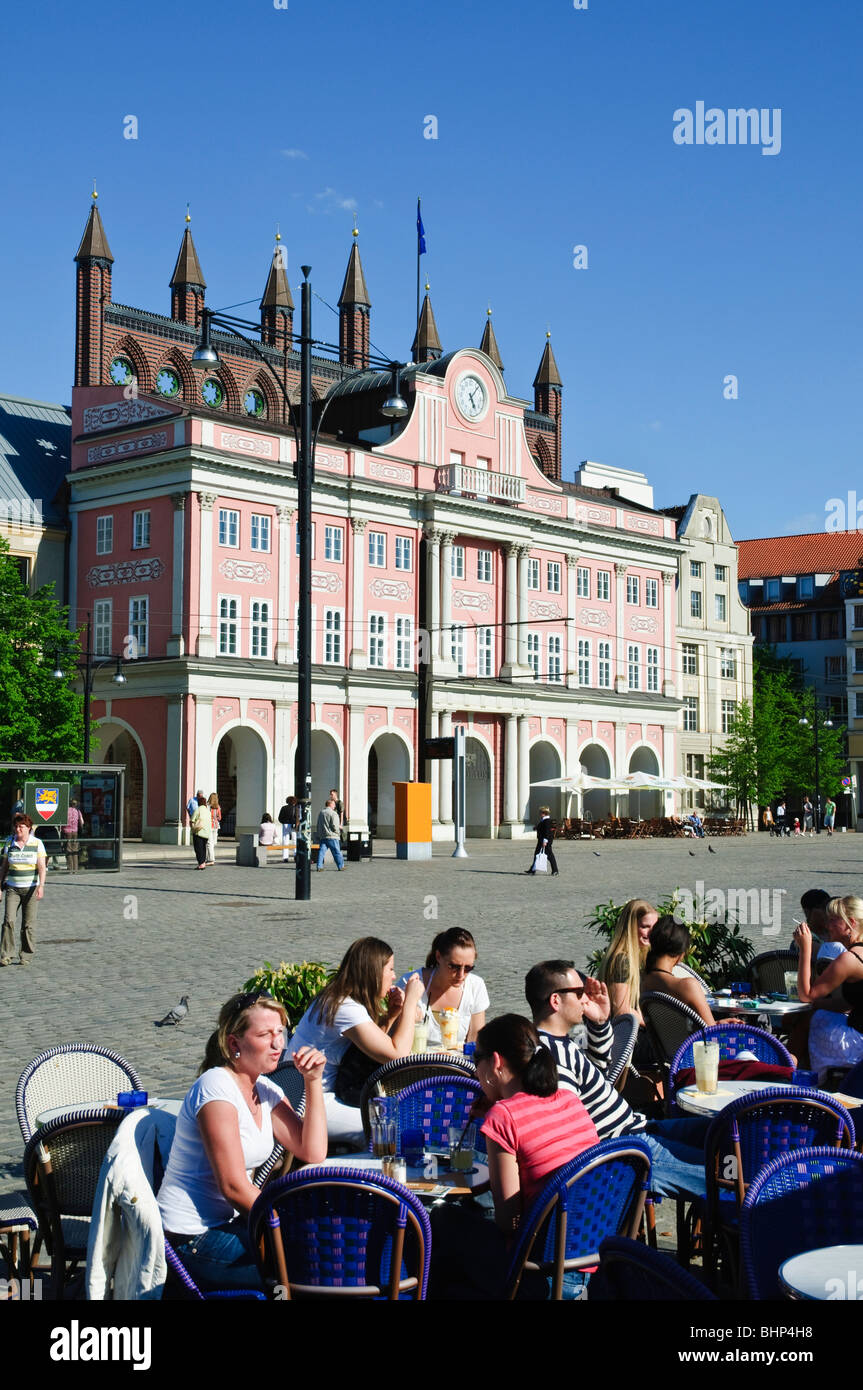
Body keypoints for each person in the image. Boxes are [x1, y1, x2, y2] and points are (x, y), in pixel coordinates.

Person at [156, 991, 328, 1290]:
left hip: (228, 1223)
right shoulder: (216, 1088)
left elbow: (312, 1151)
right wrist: (285, 1221)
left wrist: (313, 1082)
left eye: (280, 1032)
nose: (278, 1044)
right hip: (190, 1239)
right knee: (310, 1264)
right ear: (234, 1043)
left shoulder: (263, 1087)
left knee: (325, 1247)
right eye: (265, 1034)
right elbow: (233, 1186)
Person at [527, 960, 709, 1199]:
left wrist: (600, 1023)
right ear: (555, 1000)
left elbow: (597, 1077)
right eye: (579, 993)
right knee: (722, 1177)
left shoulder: (560, 1042)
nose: (585, 999)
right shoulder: (552, 1056)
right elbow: (570, 1122)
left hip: (639, 1129)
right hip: (626, 1150)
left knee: (721, 1133)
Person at [289, 937, 426, 1145]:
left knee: (391, 1122)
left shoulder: (339, 997)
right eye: (390, 969)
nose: (394, 976)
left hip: (311, 1092)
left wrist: (391, 1016)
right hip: (309, 1101)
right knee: (389, 1128)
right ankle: (370, 1175)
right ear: (373, 972)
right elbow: (397, 1055)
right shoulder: (344, 1007)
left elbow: (375, 1046)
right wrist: (411, 1002)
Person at [795, 896, 863, 1076]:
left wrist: (805, 948)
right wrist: (814, 1006)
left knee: (808, 1019)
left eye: (833, 920)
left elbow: (806, 995)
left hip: (858, 1041)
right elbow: (850, 1002)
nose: (827, 926)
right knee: (811, 1013)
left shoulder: (850, 959)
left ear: (851, 923)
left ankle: (795, 1074)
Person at [397, 927, 489, 1047]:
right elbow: (395, 1038)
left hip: (456, 1064)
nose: (461, 975)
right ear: (438, 957)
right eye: (454, 966)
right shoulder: (409, 982)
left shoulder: (476, 986)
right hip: (415, 1061)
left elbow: (474, 1043)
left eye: (468, 968)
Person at [640, 917, 716, 1026]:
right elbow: (711, 1032)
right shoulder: (688, 986)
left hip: (663, 1043)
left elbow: (670, 1029)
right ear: (682, 954)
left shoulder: (642, 981)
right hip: (691, 1043)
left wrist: (718, 1023)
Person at [598, 898, 658, 1022]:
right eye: (645, 926)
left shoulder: (637, 954)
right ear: (630, 927)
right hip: (625, 1034)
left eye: (654, 927)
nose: (651, 932)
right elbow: (622, 1010)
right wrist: (652, 1025)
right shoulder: (622, 960)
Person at [0, 813, 47, 966]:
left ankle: (26, 955)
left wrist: (41, 886)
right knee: (8, 921)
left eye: (22, 826)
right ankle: (6, 955)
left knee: (28, 924)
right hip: (13, 888)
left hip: (31, 888)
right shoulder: (9, 843)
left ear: (28, 828)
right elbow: (4, 867)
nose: (18, 829)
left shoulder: (37, 843)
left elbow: (41, 867)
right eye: (17, 826)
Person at [524, 806, 558, 876]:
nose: (539, 814)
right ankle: (532, 869)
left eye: (540, 812)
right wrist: (536, 828)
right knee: (537, 854)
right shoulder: (543, 820)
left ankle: (555, 870)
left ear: (543, 813)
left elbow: (547, 832)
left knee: (550, 855)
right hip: (541, 840)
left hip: (545, 841)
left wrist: (545, 841)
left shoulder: (547, 821)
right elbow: (542, 828)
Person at [316, 797, 344, 871]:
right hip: (332, 836)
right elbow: (335, 825)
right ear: (330, 804)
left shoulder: (321, 813)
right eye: (334, 804)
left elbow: (318, 824)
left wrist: (319, 834)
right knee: (337, 852)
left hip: (323, 836)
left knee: (321, 852)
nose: (334, 806)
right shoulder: (333, 813)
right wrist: (338, 832)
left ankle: (319, 866)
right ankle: (341, 866)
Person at [62, 798, 84, 874]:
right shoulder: (78, 811)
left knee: (68, 850)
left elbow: (61, 822)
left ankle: (70, 869)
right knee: (75, 850)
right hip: (75, 832)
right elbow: (82, 822)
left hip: (66, 832)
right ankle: (75, 869)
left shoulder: (65, 811)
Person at [190, 794, 212, 870]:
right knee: (203, 848)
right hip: (206, 833)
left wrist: (192, 828)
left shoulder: (198, 809)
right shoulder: (208, 811)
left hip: (198, 832)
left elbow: (192, 819)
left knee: (198, 849)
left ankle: (201, 864)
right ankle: (203, 863)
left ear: (199, 803)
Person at [206, 793, 221, 865]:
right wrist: (215, 818)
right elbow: (219, 818)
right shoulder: (218, 807)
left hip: (209, 825)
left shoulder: (208, 806)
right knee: (213, 843)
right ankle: (209, 858)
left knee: (209, 843)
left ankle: (211, 859)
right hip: (216, 826)